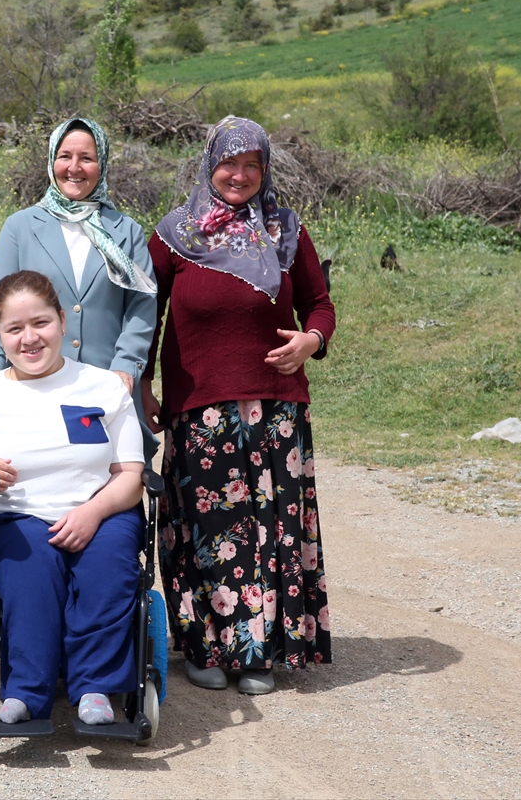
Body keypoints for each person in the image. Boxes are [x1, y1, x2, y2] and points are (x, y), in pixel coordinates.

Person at [142, 116, 335, 695]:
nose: (241, 175)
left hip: (276, 408)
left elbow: (319, 304)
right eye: (231, 163)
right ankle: (205, 647)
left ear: (265, 170)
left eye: (253, 164)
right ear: (210, 165)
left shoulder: (286, 231)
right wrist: (142, 385)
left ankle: (259, 654)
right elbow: (143, 318)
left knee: (270, 527)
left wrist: (311, 341)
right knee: (209, 527)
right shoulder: (175, 234)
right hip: (199, 408)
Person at [0, 271, 145, 726]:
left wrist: (93, 511)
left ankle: (95, 687)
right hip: (17, 516)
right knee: (32, 567)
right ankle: (27, 691)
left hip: (102, 510)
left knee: (108, 563)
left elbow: (131, 476)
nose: (30, 339)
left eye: (40, 323)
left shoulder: (103, 387)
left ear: (62, 320)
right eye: (14, 329)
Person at [0, 118, 158, 457]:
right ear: (51, 161)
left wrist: (126, 365)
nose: (74, 168)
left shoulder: (125, 231)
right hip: (36, 378)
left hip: (107, 383)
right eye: (65, 156)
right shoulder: (21, 226)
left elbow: (141, 306)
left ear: (101, 164)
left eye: (86, 158)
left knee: (114, 482)